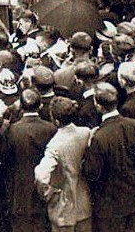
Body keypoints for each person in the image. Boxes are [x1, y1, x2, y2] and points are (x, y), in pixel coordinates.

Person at [83, 82, 135, 232]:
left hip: (109, 206)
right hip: (133, 198)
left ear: (98, 106)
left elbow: (92, 173)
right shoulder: (134, 125)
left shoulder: (98, 137)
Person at [34, 95, 92, 232]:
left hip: (63, 209)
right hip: (84, 206)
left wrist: (49, 194)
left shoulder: (54, 145)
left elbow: (41, 176)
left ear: (56, 121)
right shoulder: (86, 133)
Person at [3, 88, 56, 232]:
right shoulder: (51, 128)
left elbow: (6, 158)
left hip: (20, 191)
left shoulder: (13, 130)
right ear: (40, 106)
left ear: (20, 106)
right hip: (45, 189)